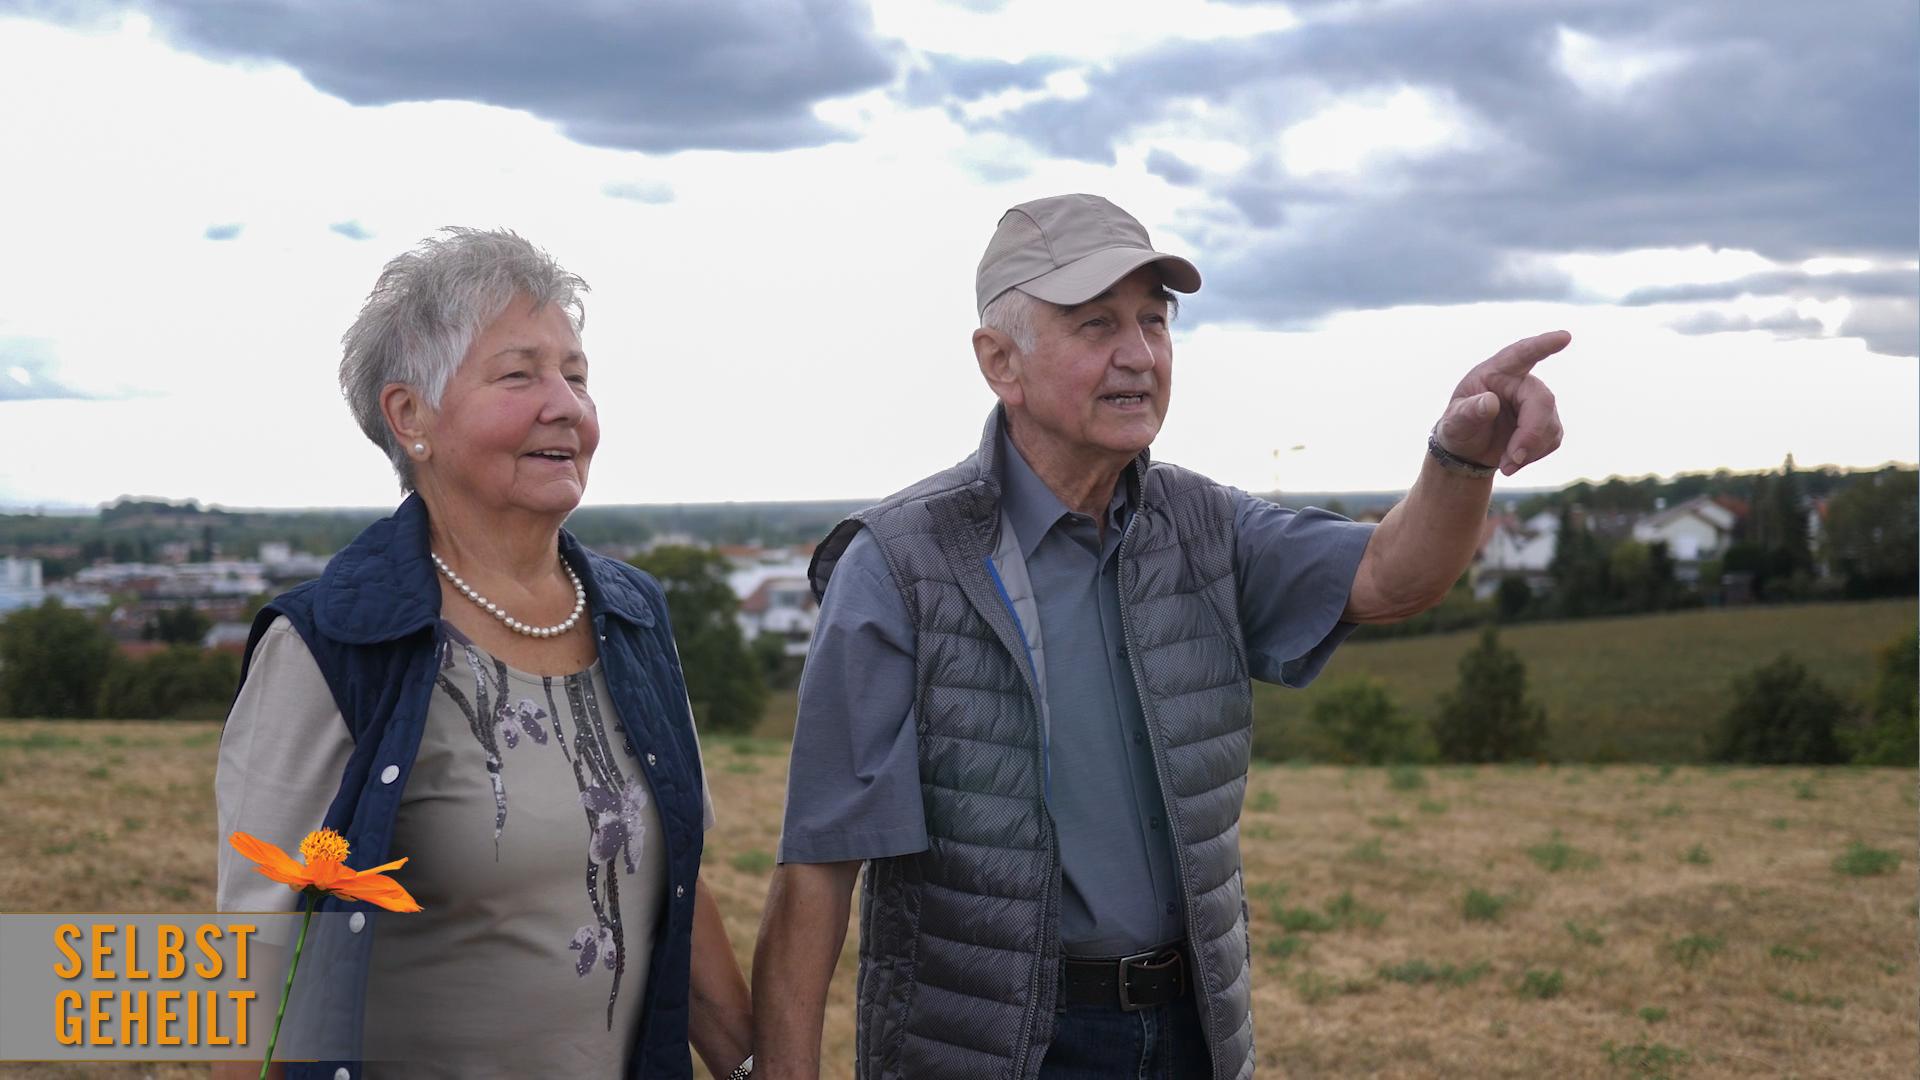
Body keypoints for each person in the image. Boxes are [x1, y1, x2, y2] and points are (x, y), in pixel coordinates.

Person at [751, 193, 1568, 1079]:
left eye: (1154, 320)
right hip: (998, 1049)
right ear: (1000, 361)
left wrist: (1461, 454)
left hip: (1194, 1033)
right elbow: (819, 869)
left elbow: (1391, 576)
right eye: (1096, 323)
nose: (1139, 355)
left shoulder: (1206, 525)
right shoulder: (899, 565)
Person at [215, 229, 754, 1080]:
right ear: (410, 418)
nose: (566, 406)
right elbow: (256, 961)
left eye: (576, 375)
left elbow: (671, 893)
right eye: (519, 375)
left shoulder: (634, 616)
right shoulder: (329, 644)